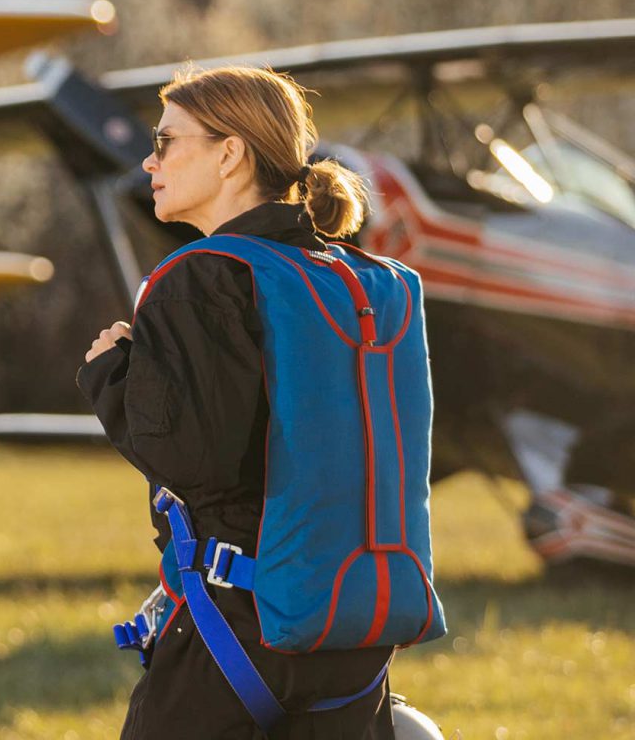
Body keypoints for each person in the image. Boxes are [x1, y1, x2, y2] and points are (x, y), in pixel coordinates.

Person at [78, 66, 439, 738]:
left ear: (229, 153)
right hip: (355, 633)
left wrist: (111, 375)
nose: (150, 162)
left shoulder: (203, 277)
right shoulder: (360, 278)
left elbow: (193, 460)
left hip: (239, 629)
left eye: (166, 143)